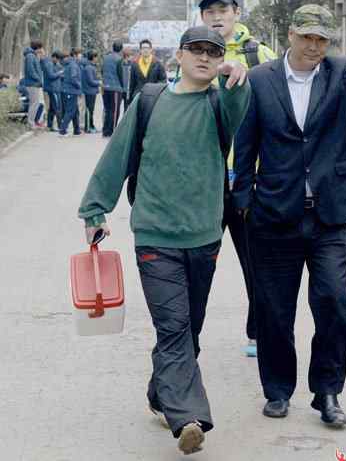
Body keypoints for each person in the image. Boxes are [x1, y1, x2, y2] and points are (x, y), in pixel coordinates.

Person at [78, 26, 250, 456]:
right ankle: (188, 417)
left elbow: (237, 103)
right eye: (197, 50)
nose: (206, 58)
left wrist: (236, 79)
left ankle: (161, 392)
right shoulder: (150, 101)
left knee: (188, 329)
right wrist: (94, 209)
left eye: (214, 51)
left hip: (205, 236)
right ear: (180, 56)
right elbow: (117, 154)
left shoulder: (219, 104)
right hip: (155, 236)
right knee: (173, 328)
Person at [233, 5, 346, 425]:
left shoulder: (341, 72)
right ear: (291, 34)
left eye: (321, 40)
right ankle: (277, 390)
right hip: (274, 214)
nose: (314, 46)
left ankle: (328, 391)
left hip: (329, 214)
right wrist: (244, 202)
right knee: (275, 309)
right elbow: (246, 144)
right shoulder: (259, 80)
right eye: (307, 37)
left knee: (333, 301)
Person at [199, 0, 277, 357]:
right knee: (196, 262)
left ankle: (259, 331)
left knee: (257, 262)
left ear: (236, 13)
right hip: (208, 181)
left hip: (250, 181)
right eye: (209, 11)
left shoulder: (259, 53)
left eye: (223, 10)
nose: (216, 17)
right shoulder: (194, 54)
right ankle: (186, 337)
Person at [102, 41, 123, 137]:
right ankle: (112, 131)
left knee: (107, 109)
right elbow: (121, 74)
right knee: (114, 111)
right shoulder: (119, 59)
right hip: (115, 87)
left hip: (106, 87)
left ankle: (105, 130)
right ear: (121, 49)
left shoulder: (105, 58)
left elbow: (102, 71)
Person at [59, 49, 82, 137]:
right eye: (80, 54)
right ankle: (63, 130)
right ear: (75, 55)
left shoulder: (70, 64)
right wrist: (79, 86)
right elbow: (73, 78)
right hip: (71, 91)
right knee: (70, 111)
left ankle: (77, 130)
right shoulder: (73, 65)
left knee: (75, 110)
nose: (81, 56)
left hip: (68, 90)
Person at [23, 40, 45, 129]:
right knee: (34, 103)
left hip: (35, 83)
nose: (42, 50)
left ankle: (32, 122)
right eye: (41, 48)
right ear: (37, 48)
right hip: (33, 84)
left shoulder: (33, 56)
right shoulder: (30, 56)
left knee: (35, 103)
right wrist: (39, 79)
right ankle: (30, 123)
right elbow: (31, 71)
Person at [41, 51, 64, 131]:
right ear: (53, 57)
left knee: (52, 108)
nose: (58, 61)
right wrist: (59, 73)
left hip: (56, 88)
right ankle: (60, 126)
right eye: (57, 59)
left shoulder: (55, 64)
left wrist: (60, 73)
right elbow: (51, 76)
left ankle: (49, 126)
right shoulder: (48, 64)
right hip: (52, 89)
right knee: (57, 107)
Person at [82, 50, 101, 133]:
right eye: (96, 57)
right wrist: (99, 83)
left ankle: (91, 125)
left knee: (91, 109)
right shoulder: (89, 68)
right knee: (89, 110)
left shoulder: (91, 66)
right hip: (89, 91)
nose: (97, 59)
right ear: (93, 57)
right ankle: (88, 127)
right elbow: (91, 81)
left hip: (91, 91)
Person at [117, 47, 133, 113]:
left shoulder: (132, 64)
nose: (131, 57)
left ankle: (125, 121)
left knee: (126, 108)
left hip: (127, 90)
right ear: (126, 56)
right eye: (130, 55)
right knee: (118, 107)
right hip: (121, 89)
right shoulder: (119, 63)